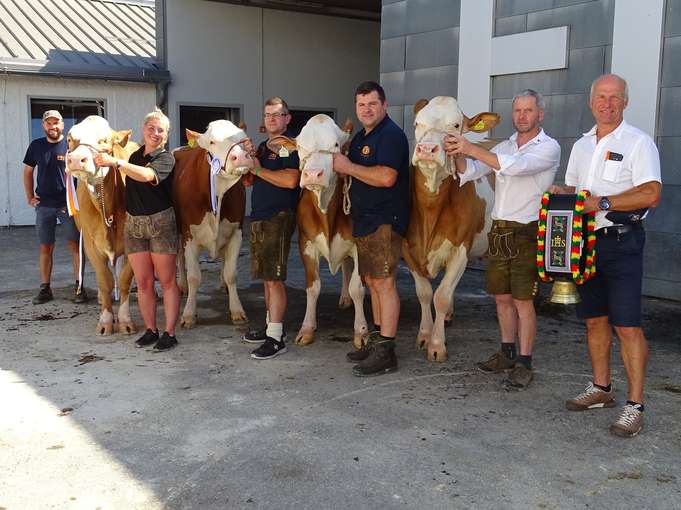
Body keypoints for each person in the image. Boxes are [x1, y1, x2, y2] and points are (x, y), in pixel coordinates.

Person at [551, 74, 662, 437]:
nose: (608, 103)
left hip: (622, 242)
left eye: (615, 97)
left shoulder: (638, 142)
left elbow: (650, 193)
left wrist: (603, 203)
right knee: (595, 320)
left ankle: (635, 405)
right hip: (586, 243)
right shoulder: (582, 146)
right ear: (591, 101)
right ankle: (601, 389)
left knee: (627, 326)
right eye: (601, 96)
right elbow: (576, 190)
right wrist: (561, 192)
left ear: (625, 102)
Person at [444, 90, 560, 389]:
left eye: (528, 110)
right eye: (518, 110)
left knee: (523, 301)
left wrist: (469, 146)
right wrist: (457, 154)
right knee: (502, 298)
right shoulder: (506, 145)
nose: (522, 116)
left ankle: (524, 361)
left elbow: (513, 167)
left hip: (527, 230)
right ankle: (507, 352)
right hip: (500, 229)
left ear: (540, 114)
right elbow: (469, 173)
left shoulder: (548, 147)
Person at [332, 81, 410, 377]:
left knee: (385, 283)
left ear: (384, 105)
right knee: (373, 283)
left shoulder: (390, 136)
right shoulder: (364, 136)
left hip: (384, 220)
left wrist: (347, 166)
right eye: (362, 104)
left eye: (372, 104)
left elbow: (387, 177)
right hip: (365, 220)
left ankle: (386, 352)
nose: (367, 109)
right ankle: (378, 341)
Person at [94, 108, 180, 351]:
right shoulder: (133, 157)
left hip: (161, 223)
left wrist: (116, 162)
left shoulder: (166, 158)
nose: (155, 133)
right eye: (151, 128)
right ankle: (151, 330)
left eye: (160, 130)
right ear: (143, 129)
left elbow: (147, 176)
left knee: (167, 282)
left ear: (166, 134)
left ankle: (169, 333)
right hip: (134, 224)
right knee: (142, 282)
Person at [241, 97, 300, 360]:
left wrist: (258, 168)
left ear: (288, 118)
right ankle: (270, 328)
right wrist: (248, 160)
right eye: (267, 115)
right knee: (267, 277)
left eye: (277, 115)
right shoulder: (265, 146)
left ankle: (276, 339)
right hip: (260, 216)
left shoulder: (290, 146)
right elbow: (249, 182)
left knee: (274, 279)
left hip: (279, 215)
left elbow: (291, 180)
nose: (272, 119)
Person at [23, 110, 87, 304]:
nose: (53, 126)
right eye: (49, 123)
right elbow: (27, 171)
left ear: (62, 125)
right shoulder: (36, 146)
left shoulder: (71, 147)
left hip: (68, 204)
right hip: (44, 205)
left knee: (75, 246)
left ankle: (79, 287)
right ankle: (45, 289)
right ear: (44, 126)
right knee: (45, 247)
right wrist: (30, 196)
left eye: (56, 123)